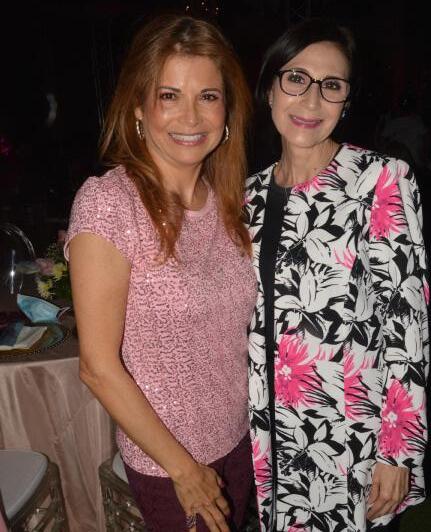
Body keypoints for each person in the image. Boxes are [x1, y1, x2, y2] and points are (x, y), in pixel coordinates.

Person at [65, 15, 257, 532]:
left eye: (208, 96)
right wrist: (183, 470)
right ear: (138, 108)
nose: (191, 116)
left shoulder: (230, 203)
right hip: (172, 463)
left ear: (228, 110)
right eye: (169, 95)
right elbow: (97, 367)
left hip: (240, 440)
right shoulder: (110, 204)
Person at [245, 19, 429, 532]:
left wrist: (398, 451)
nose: (312, 99)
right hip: (269, 428)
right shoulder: (246, 196)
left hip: (350, 431)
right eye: (296, 78)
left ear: (346, 101)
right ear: (269, 89)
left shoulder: (380, 179)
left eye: (332, 85)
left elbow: (406, 321)